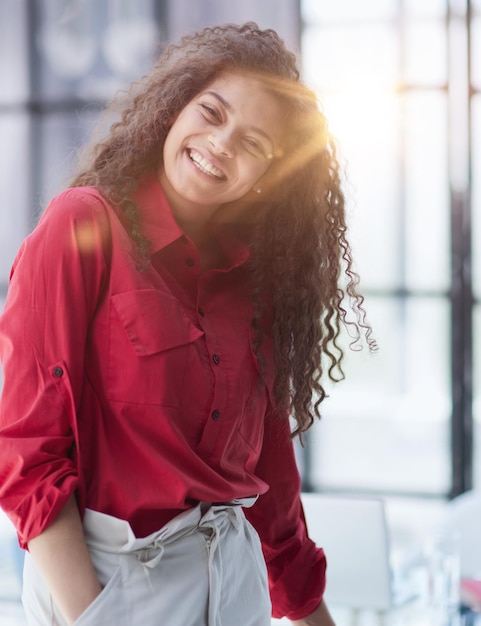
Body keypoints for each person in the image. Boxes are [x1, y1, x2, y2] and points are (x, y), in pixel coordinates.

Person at [0, 22, 375, 626]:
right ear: (175, 109)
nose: (222, 143)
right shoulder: (83, 228)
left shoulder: (259, 284)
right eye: (212, 112)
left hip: (235, 586)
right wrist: (93, 615)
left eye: (255, 144)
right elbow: (28, 456)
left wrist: (314, 615)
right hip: (114, 587)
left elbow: (269, 480)